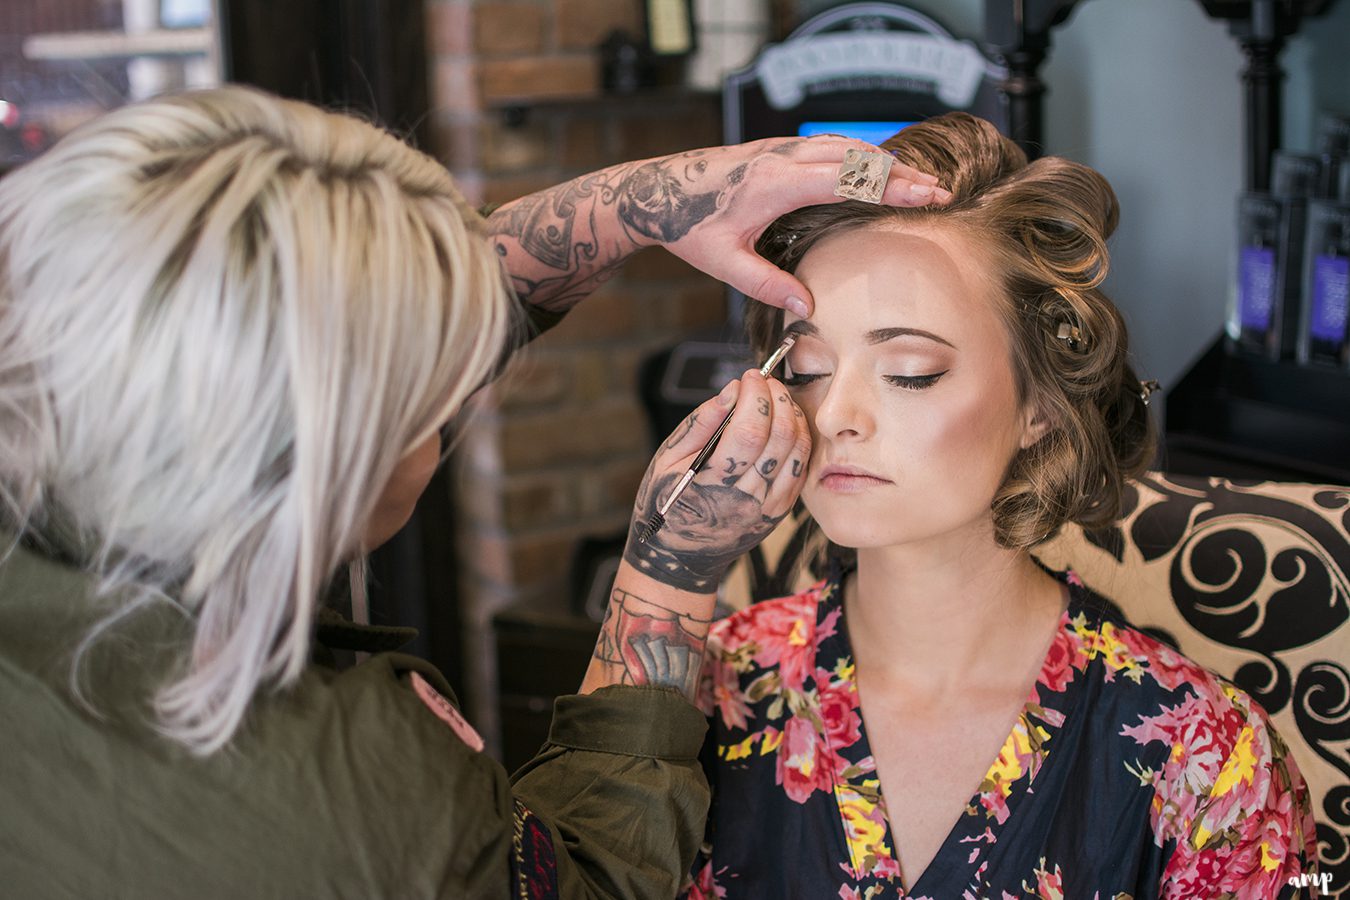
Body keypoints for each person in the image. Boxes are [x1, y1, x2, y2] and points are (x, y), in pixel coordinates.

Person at [0, 86, 951, 899]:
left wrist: (644, 202)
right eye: (437, 391)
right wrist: (665, 577)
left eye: (910, 370)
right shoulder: (356, 809)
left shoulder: (63, 401)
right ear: (330, 461)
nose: (844, 417)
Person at [686, 112, 1319, 899]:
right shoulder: (705, 694)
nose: (836, 413)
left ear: (1040, 406)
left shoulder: (1204, 756)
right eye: (808, 367)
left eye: (909, 371)